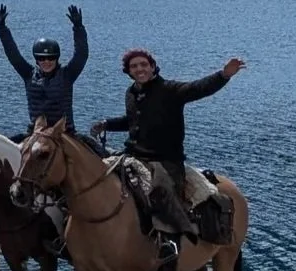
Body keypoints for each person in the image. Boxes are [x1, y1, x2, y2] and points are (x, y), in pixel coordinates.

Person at [92, 49, 247, 255]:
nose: (139, 69)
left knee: (161, 192)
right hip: (134, 156)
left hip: (165, 161)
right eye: (134, 66)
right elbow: (133, 121)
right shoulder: (131, 93)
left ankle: (169, 243)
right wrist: (107, 124)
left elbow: (198, 88)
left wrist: (224, 75)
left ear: (153, 67)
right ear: (128, 71)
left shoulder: (169, 90)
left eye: (143, 64)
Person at [0, 3, 90, 134]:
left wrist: (78, 28)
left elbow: (81, 54)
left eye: (51, 58)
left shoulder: (67, 75)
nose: (47, 62)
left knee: (95, 147)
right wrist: (2, 29)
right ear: (36, 60)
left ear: (57, 58)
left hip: (65, 133)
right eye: (42, 58)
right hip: (36, 133)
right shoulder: (28, 74)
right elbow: (13, 54)